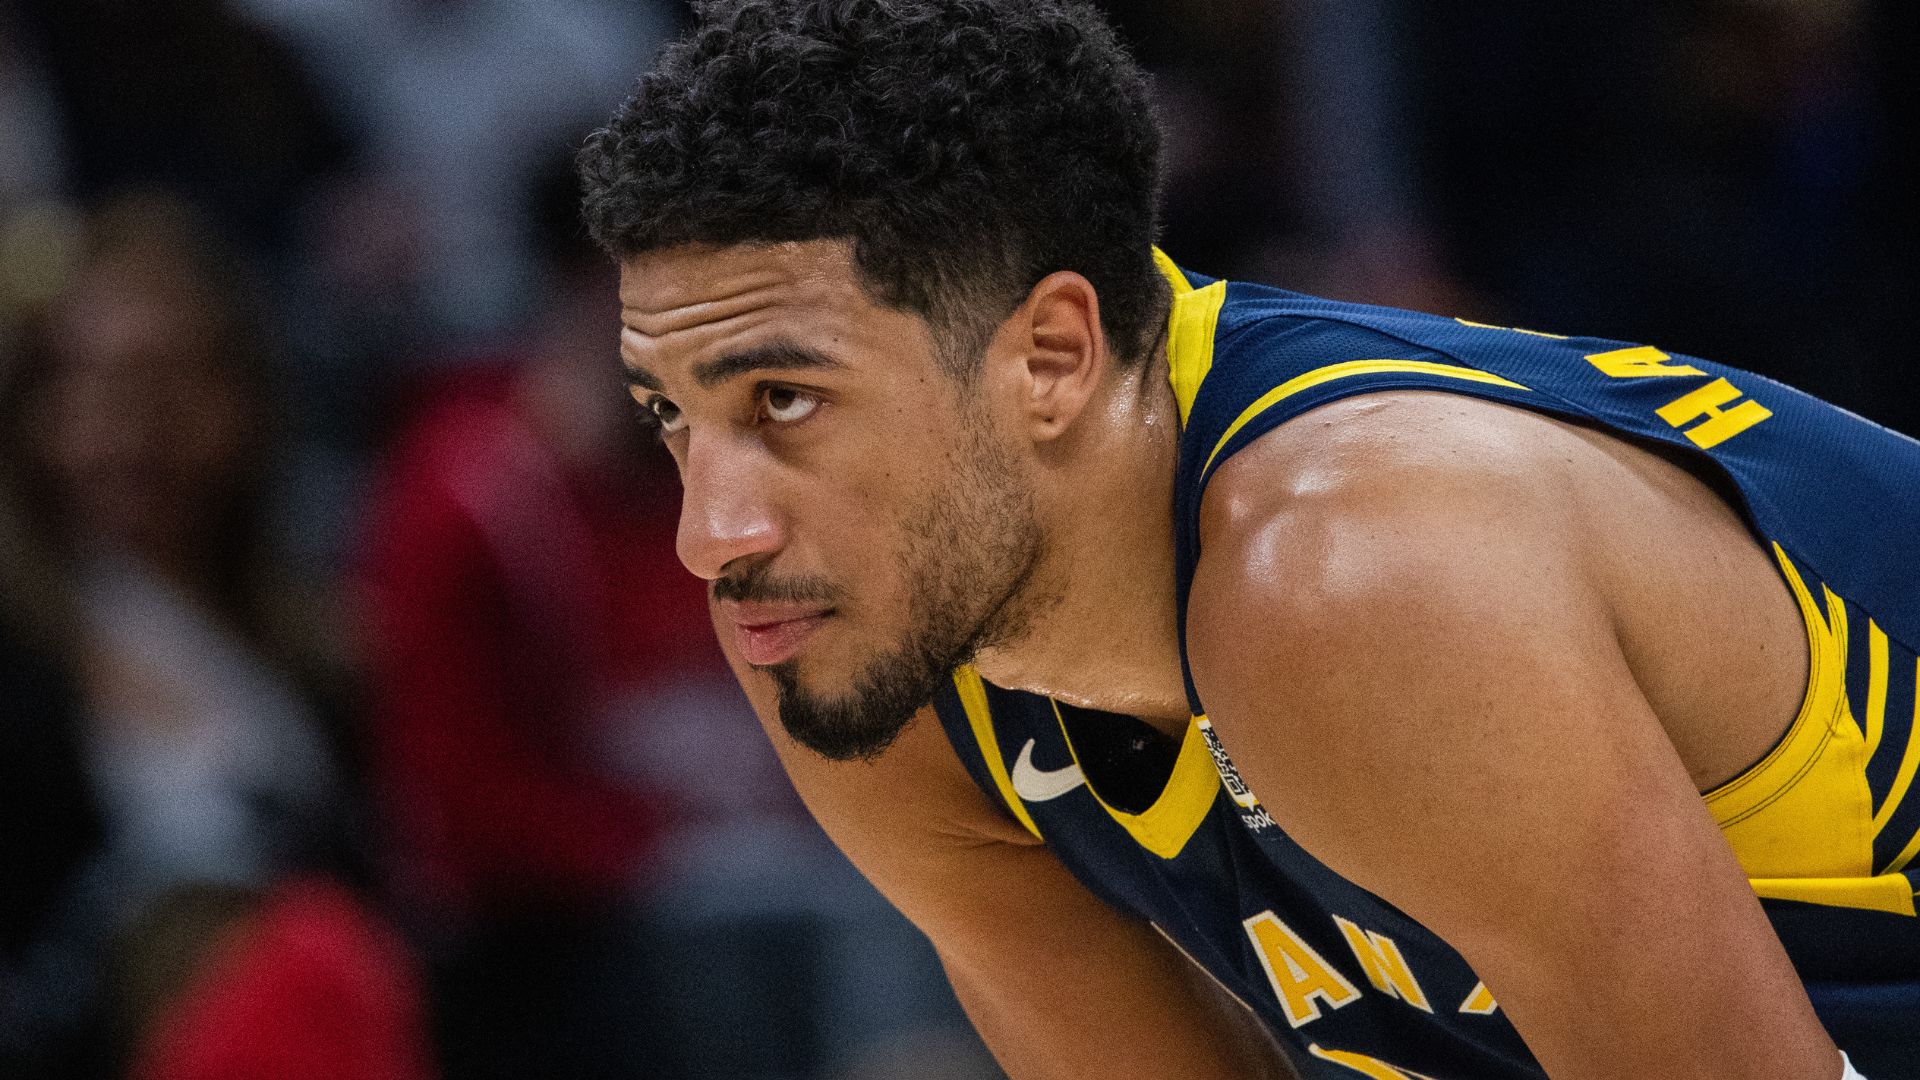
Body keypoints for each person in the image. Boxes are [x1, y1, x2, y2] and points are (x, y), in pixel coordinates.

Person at [576, 2, 1918, 1077]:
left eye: (787, 402)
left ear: (1050, 356)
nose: (714, 534)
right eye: (672, 419)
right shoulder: (860, 630)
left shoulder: (1357, 572)